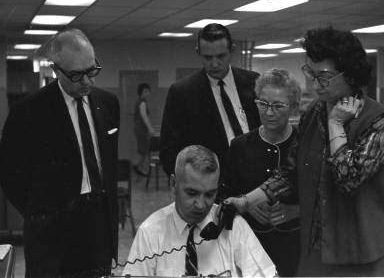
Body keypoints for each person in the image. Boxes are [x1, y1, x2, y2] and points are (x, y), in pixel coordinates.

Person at [226, 26, 384, 277]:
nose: (315, 84)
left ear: (349, 74)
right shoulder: (314, 112)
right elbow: (290, 173)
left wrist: (336, 125)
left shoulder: (379, 119)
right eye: (311, 73)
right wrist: (246, 201)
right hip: (314, 248)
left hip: (358, 251)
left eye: (324, 76)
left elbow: (348, 178)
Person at [0, 29, 120, 278]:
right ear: (56, 70)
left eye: (92, 70)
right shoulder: (28, 112)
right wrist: (40, 213)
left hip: (98, 224)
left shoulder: (108, 103)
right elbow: (10, 175)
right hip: (51, 232)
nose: (87, 81)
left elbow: (108, 164)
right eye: (76, 75)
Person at [123, 145, 276, 277]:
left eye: (210, 194)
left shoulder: (233, 227)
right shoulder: (150, 232)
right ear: (173, 184)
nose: (201, 205)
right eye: (191, 193)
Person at [222, 68, 301, 277]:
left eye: (278, 106)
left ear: (293, 108)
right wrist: (246, 205)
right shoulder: (239, 146)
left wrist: (296, 210)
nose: (268, 112)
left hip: (295, 246)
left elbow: (324, 199)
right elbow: (222, 194)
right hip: (249, 245)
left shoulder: (304, 145)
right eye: (263, 104)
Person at [160, 23, 261, 178]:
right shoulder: (182, 93)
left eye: (221, 56)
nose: (214, 64)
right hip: (209, 186)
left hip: (256, 181)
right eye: (207, 57)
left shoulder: (254, 83)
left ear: (231, 50)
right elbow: (169, 150)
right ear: (198, 53)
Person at [133, 83, 155, 176]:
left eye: (148, 91)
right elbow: (144, 116)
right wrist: (150, 129)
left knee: (144, 150)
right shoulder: (142, 102)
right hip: (141, 129)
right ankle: (139, 167)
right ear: (141, 92)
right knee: (144, 150)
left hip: (140, 128)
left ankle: (139, 167)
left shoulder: (141, 101)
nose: (148, 93)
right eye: (145, 91)